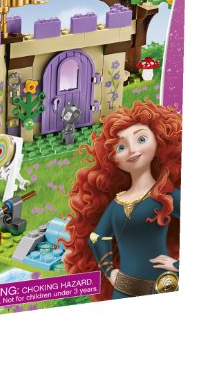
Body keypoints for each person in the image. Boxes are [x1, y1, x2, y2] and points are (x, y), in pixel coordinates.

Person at [63, 100, 181, 300]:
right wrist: (109, 272)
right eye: (121, 147)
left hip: (163, 287)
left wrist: (179, 265)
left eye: (141, 139)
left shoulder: (166, 195)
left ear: (159, 141)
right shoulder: (117, 203)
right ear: (112, 159)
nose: (132, 150)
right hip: (123, 290)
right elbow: (97, 238)